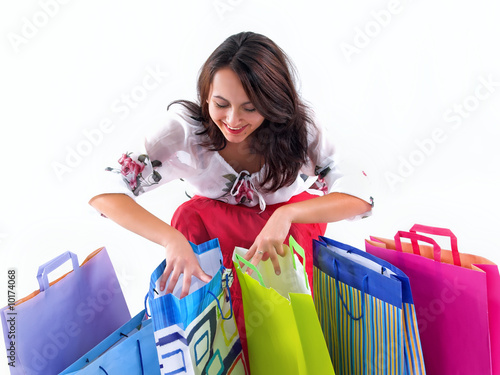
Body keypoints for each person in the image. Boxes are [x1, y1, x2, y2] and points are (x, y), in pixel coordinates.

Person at [89, 31, 373, 367]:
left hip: (281, 235)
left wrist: (286, 216)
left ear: (272, 103)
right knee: (190, 229)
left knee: (280, 325)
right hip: (212, 232)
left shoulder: (300, 130)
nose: (233, 120)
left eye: (250, 108)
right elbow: (103, 190)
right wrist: (171, 239)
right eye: (221, 104)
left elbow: (361, 197)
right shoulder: (183, 131)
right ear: (206, 94)